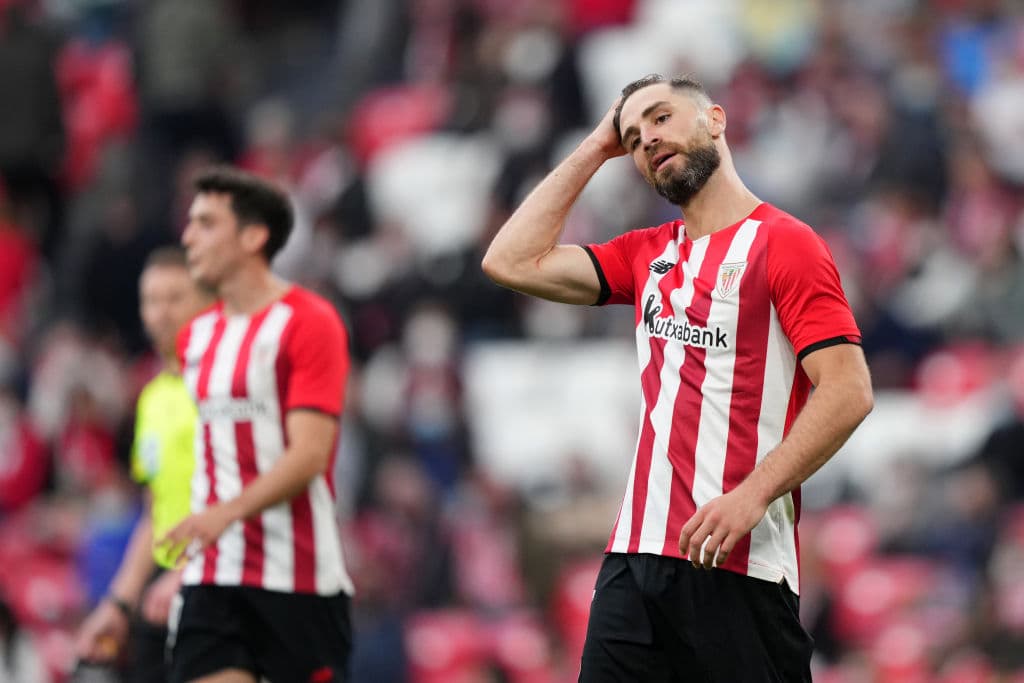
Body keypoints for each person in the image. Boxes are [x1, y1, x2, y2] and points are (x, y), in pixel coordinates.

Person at [482, 74, 874, 681]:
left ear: (715, 119)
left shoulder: (787, 245)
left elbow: (848, 390)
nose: (648, 141)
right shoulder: (647, 255)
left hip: (739, 564)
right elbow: (509, 261)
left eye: (661, 118)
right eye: (634, 137)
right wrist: (595, 147)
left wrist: (752, 493)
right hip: (634, 560)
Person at [160, 166, 354, 683]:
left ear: (253, 236)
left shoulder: (310, 322)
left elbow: (310, 455)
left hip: (299, 578)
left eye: (205, 223)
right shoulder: (194, 338)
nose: (188, 237)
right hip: (213, 575)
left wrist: (225, 513)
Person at [75, 246, 212, 681]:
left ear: (207, 303)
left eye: (175, 297)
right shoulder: (153, 398)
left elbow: (250, 495)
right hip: (161, 594)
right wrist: (117, 603)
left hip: (220, 588)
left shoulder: (223, 388)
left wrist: (192, 574)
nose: (161, 312)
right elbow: (155, 513)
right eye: (151, 300)